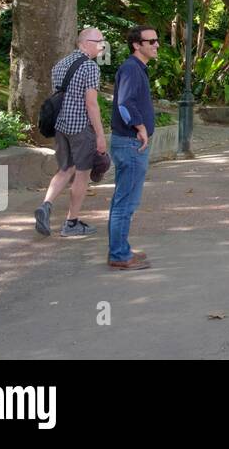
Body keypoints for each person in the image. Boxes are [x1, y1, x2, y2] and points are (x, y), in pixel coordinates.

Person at [34, 28, 109, 238]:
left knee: (65, 169)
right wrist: (100, 135)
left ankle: (46, 205)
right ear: (83, 43)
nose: (102, 45)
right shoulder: (90, 67)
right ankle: (71, 223)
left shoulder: (60, 65)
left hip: (61, 126)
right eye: (98, 41)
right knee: (83, 174)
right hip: (80, 128)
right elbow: (92, 105)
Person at [107, 24, 159, 271]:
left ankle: (122, 250)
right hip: (130, 143)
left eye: (157, 40)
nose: (156, 45)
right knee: (125, 202)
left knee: (126, 200)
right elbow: (124, 103)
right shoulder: (131, 68)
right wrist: (139, 126)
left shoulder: (137, 68)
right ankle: (119, 254)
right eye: (151, 41)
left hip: (130, 142)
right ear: (137, 45)